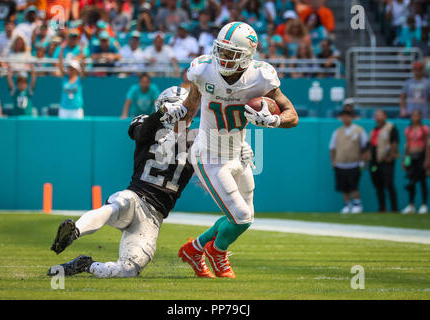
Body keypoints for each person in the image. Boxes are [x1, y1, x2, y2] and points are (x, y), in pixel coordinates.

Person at [176, 22, 298, 278]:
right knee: (240, 216)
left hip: (239, 153)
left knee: (245, 217)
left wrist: (274, 120)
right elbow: (190, 106)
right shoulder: (203, 70)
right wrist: (173, 131)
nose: (223, 57)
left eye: (231, 53)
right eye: (221, 50)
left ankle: (194, 249)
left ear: (247, 56)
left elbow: (292, 115)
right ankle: (216, 252)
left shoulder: (261, 77)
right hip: (209, 155)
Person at [46, 87, 197, 278]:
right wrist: (161, 114)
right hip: (136, 195)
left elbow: (213, 169)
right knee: (117, 206)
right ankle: (74, 231)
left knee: (129, 270)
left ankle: (86, 265)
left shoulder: (196, 141)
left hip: (153, 217)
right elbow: (141, 134)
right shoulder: (148, 124)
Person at [329, 102, 368, 214]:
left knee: (353, 185)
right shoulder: (337, 132)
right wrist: (333, 162)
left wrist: (364, 161)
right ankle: (347, 205)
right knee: (343, 187)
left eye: (347, 116)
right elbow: (332, 148)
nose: (345, 118)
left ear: (351, 117)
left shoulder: (359, 130)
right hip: (341, 163)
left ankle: (357, 204)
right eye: (343, 116)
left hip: (354, 163)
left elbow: (365, 147)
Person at [368, 109, 400, 213]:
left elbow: (394, 142)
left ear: (385, 116)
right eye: (376, 115)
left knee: (389, 184)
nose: (377, 117)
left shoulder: (390, 127)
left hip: (386, 161)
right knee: (378, 185)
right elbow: (370, 145)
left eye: (379, 115)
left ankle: (394, 208)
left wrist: (390, 156)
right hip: (374, 162)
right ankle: (382, 208)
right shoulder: (374, 130)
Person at [401, 109, 429, 214]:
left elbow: (427, 145)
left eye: (417, 115)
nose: (415, 117)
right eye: (413, 115)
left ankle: (424, 205)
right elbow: (407, 146)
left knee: (422, 181)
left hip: (421, 156)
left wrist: (427, 159)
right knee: (411, 181)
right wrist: (405, 159)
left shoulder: (424, 129)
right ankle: (411, 205)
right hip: (411, 157)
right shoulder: (408, 129)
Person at [58, 43, 85, 119]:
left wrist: (81, 51)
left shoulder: (80, 79)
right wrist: (62, 50)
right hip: (64, 109)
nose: (70, 70)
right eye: (69, 68)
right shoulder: (65, 78)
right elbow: (60, 64)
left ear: (76, 70)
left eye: (72, 69)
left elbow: (83, 65)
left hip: (76, 110)